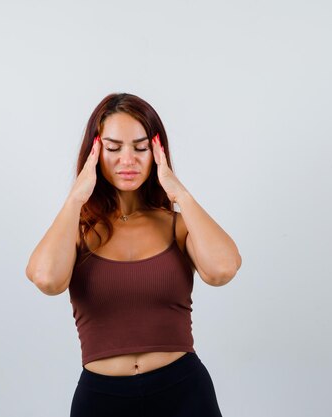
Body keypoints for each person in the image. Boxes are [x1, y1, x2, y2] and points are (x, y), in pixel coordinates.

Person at [25, 93, 242, 417]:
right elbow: (47, 280)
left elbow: (222, 270)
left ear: (157, 151)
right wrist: (75, 199)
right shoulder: (77, 229)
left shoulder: (175, 225)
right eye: (113, 148)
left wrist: (178, 191)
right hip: (102, 399)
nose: (128, 160)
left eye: (140, 148)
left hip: (183, 392)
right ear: (94, 153)